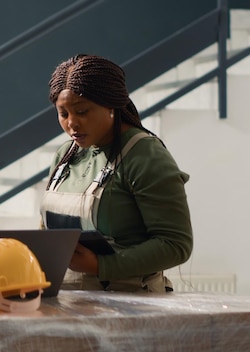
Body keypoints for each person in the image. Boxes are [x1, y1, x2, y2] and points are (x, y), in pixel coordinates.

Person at [39, 54, 193, 293]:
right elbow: (46, 231)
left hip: (130, 308)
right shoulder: (65, 155)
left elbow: (176, 244)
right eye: (64, 114)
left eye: (82, 111)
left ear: (111, 105)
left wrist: (101, 265)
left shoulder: (144, 155)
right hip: (68, 301)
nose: (72, 123)